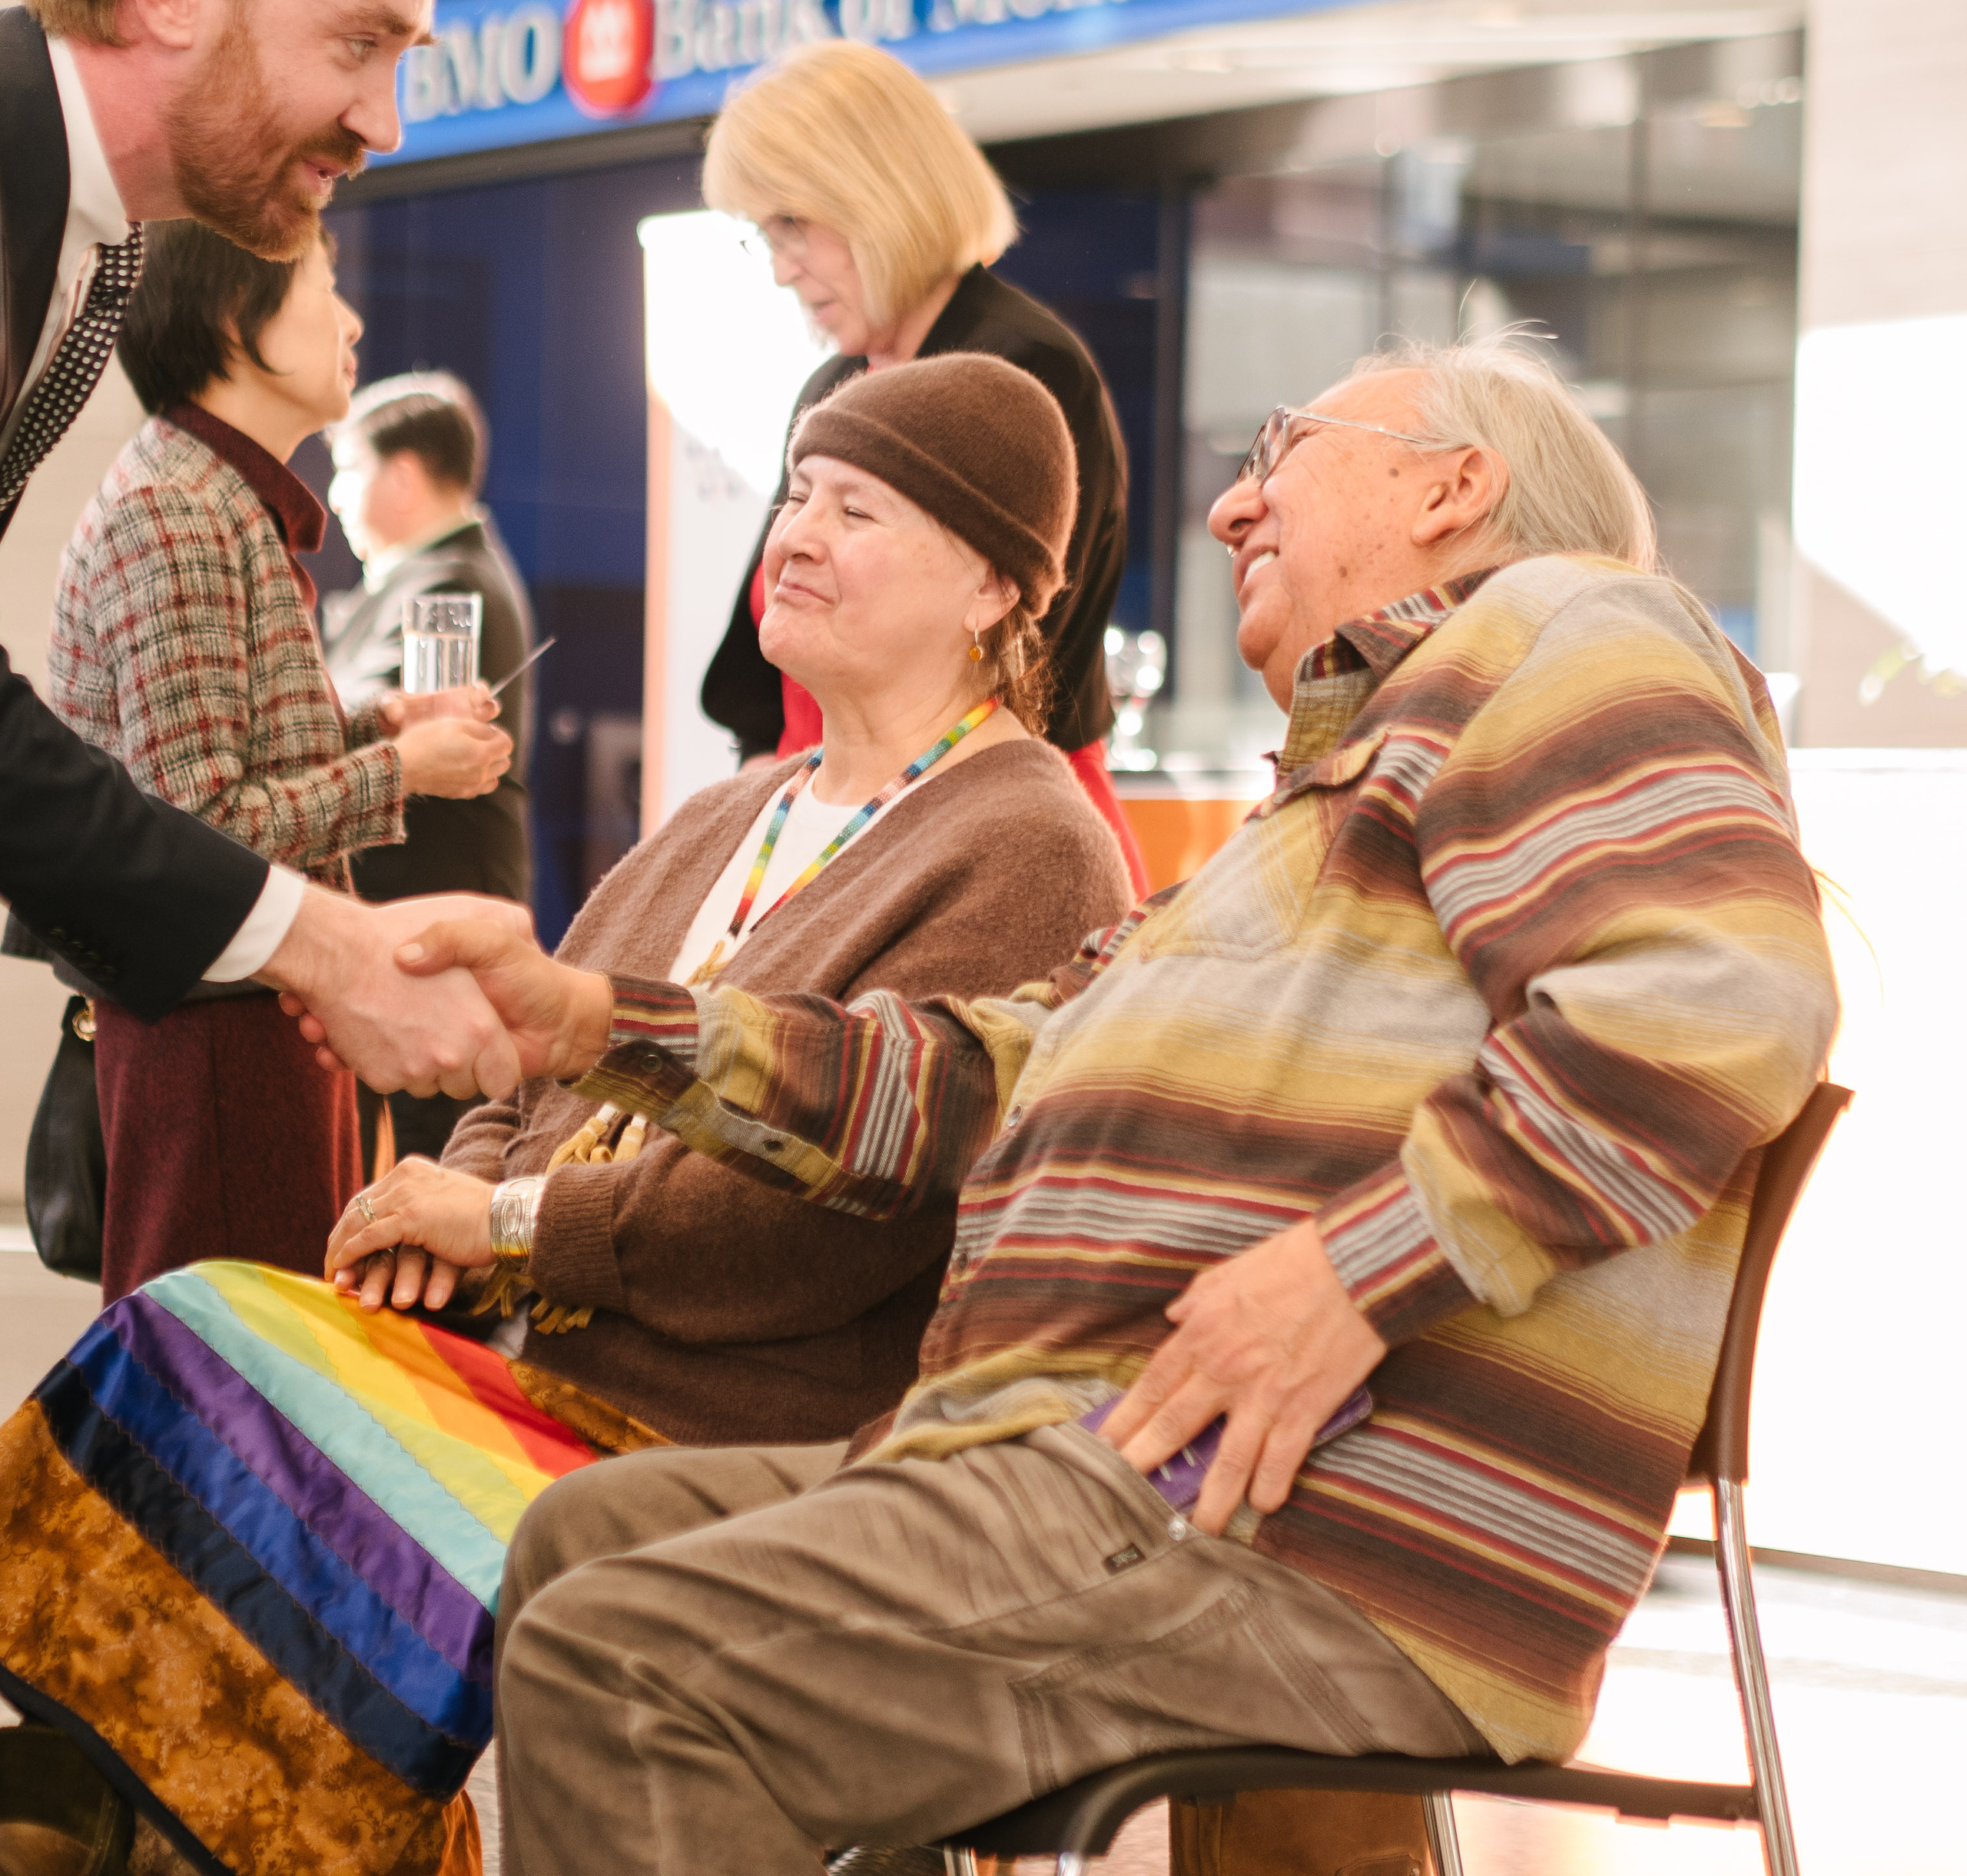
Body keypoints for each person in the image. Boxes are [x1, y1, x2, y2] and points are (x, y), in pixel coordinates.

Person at [334, 337, 1839, 1876]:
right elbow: (975, 1076)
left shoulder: (1566, 630)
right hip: (1109, 1469)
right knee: (580, 1542)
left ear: (1453, 487)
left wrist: (1345, 1274)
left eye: (1282, 444)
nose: (1228, 505)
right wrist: (601, 1020)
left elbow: (1716, 1002)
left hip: (1295, 1520)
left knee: (632, 1658)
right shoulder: (1305, 815)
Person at [0, 354, 1132, 1874]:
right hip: (513, 1353)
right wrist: (447, 1218)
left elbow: (832, 1213)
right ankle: (109, 1819)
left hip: (722, 1420)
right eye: (794, 491)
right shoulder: (736, 807)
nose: (791, 533)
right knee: (182, 1345)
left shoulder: (1029, 839)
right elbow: (536, 1057)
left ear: (996, 582)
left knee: (292, 1483)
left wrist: (516, 1226)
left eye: (853, 507)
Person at [0, 0, 529, 1102]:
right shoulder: (175, 488)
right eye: (358, 45)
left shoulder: (104, 248)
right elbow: (195, 802)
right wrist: (332, 945)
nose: (385, 124)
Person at [8, 219, 512, 1306]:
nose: (353, 320)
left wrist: (381, 726)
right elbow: (200, 831)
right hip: (218, 1033)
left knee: (265, 1368)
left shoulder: (215, 494)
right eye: (324, 287)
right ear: (237, 325)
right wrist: (404, 769)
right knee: (234, 1381)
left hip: (254, 1013)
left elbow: (230, 759)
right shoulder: (176, 509)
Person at [699, 38, 1151, 896]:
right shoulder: (832, 386)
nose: (782, 268)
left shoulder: (1025, 369)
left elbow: (1012, 672)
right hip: (819, 831)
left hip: (984, 848)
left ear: (877, 195)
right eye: (765, 236)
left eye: (793, 225)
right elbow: (755, 673)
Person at [324, 371, 539, 1169]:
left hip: (429, 913)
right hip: (421, 911)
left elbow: (375, 718)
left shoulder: (443, 588)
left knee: (435, 1163)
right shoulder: (427, 578)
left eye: (349, 469)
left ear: (403, 473)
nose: (339, 496)